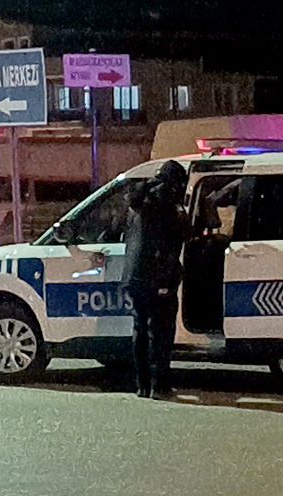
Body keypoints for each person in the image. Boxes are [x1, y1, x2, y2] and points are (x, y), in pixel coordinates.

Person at [123, 160, 187, 399]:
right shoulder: (167, 205)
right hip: (159, 277)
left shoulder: (137, 203)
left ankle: (142, 385)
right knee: (161, 332)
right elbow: (178, 238)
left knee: (140, 328)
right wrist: (167, 281)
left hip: (134, 277)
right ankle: (160, 386)